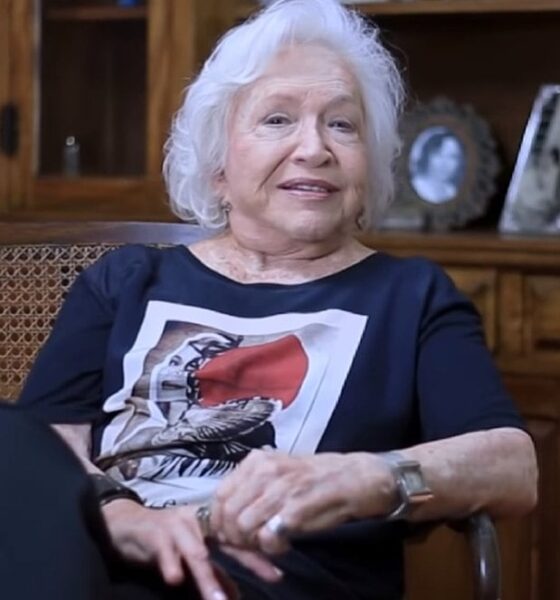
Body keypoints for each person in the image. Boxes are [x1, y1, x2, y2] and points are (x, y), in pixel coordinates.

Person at [1, 0, 537, 599]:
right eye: (278, 120)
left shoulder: (411, 298)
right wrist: (120, 516)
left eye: (342, 125)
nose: (314, 148)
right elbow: (37, 450)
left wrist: (370, 476)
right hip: (87, 572)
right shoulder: (125, 281)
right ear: (218, 167)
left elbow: (512, 467)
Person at [410, 129, 464, 204]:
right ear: (427, 156)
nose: (444, 163)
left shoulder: (452, 192)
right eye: (439, 155)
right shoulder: (417, 186)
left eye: (452, 157)